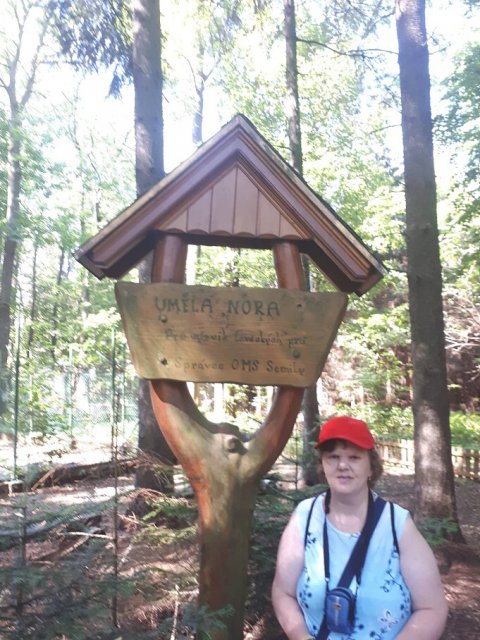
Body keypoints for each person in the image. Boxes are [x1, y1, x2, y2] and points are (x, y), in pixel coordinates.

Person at [272, 415, 448, 640]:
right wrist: (300, 636)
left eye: (354, 457)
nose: (342, 465)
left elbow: (432, 609)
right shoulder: (305, 517)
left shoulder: (397, 524)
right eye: (333, 457)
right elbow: (283, 592)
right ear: (322, 465)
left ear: (371, 467)